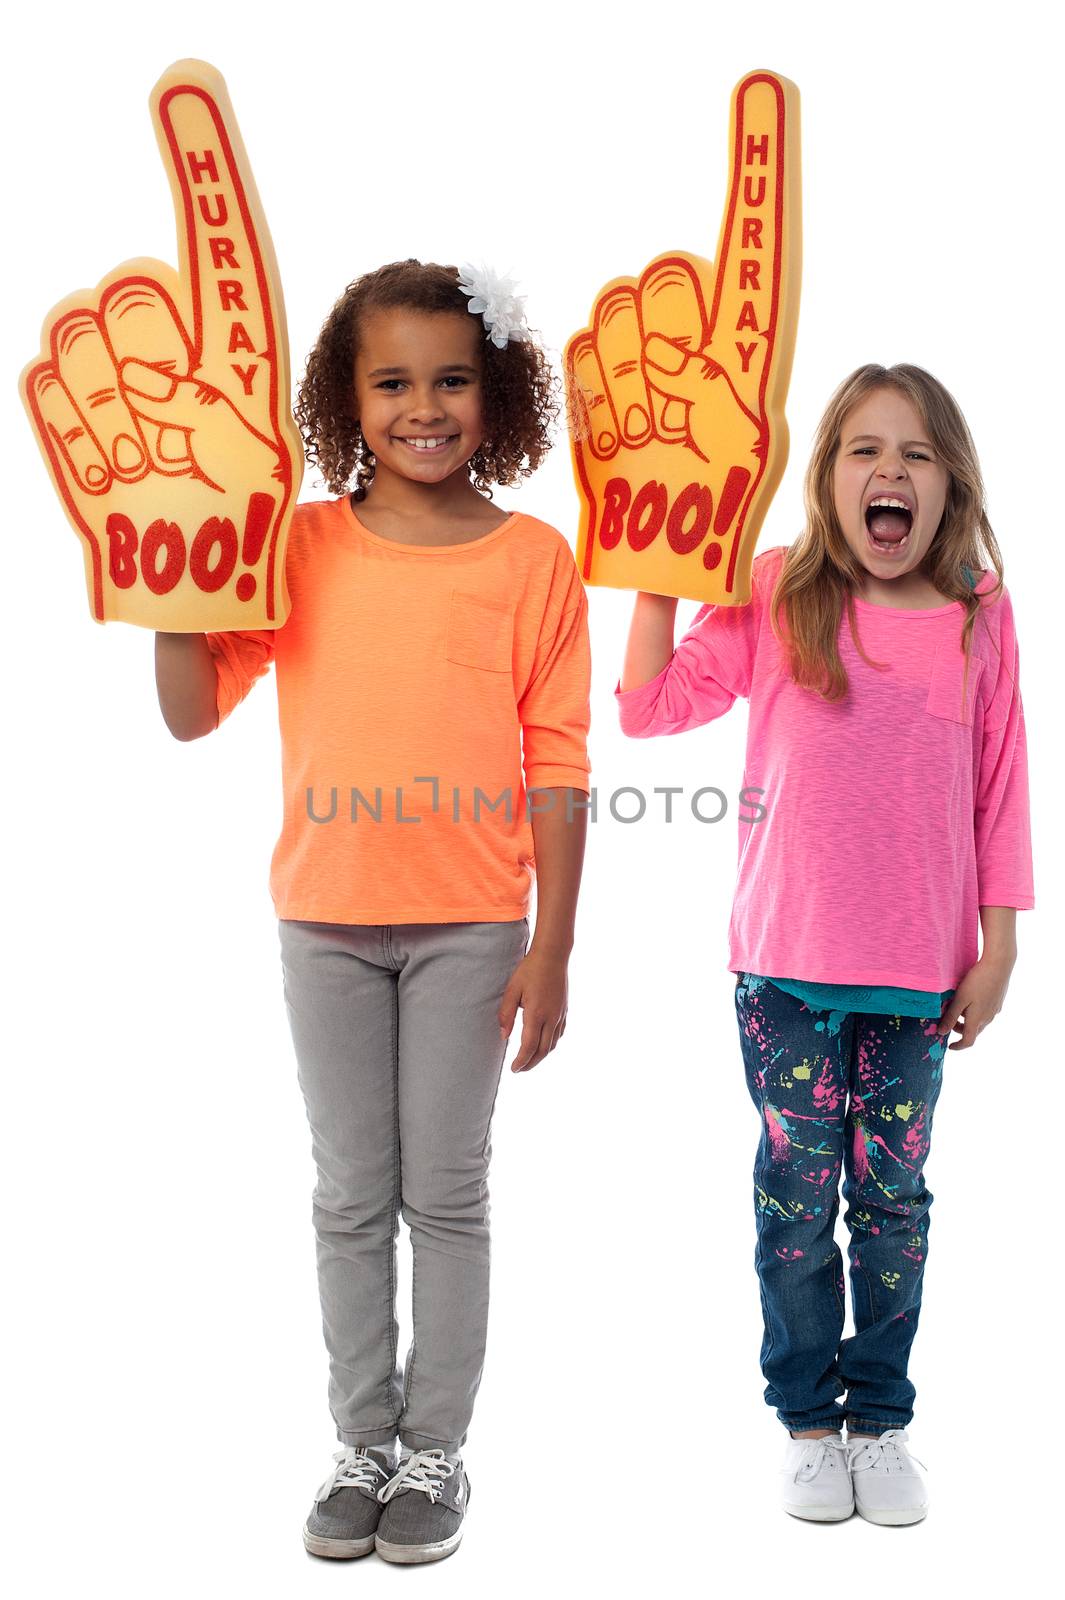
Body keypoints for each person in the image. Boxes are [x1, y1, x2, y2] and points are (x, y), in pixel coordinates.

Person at [155, 259, 591, 1564]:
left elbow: (559, 763)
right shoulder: (295, 542)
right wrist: (165, 578)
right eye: (392, 380)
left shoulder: (533, 562)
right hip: (325, 922)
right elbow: (189, 711)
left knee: (444, 1197)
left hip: (471, 926)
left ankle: (437, 1455)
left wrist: (552, 948)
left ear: (496, 392)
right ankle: (362, 1443)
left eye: (452, 379)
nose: (424, 406)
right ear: (347, 398)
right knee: (351, 1196)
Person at [614, 364, 1034, 1526]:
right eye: (863, 450)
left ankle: (882, 1418)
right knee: (797, 1196)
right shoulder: (776, 591)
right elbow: (649, 707)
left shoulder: (979, 617)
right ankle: (808, 1420)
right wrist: (659, 573)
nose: (889, 471)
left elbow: (1001, 789)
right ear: (828, 475)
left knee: (891, 1198)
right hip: (783, 971)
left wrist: (999, 946)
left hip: (918, 977)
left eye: (914, 452)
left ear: (951, 483)